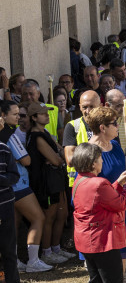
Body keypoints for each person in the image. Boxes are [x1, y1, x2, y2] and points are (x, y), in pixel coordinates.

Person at [71, 143, 126, 283]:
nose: (102, 161)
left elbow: (100, 199)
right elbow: (121, 204)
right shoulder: (99, 183)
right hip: (103, 241)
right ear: (93, 163)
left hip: (87, 241)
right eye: (100, 158)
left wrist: (118, 184)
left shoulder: (79, 180)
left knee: (96, 279)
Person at [86, 107, 126, 279]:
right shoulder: (89, 151)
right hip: (104, 215)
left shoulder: (115, 145)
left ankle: (123, 276)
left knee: (123, 253)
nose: (118, 127)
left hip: (122, 206)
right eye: (114, 124)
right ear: (102, 128)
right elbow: (90, 187)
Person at [0, 101, 52, 273]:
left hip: (7, 189)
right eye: (15, 114)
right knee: (38, 218)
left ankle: (14, 262)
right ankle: (33, 261)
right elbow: (26, 160)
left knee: (12, 225)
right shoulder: (9, 135)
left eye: (19, 114)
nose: (19, 118)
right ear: (3, 115)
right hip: (19, 185)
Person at [24, 101, 76, 264]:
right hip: (46, 182)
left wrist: (59, 156)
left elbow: (60, 150)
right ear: (33, 117)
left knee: (62, 213)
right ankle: (46, 251)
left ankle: (56, 247)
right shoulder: (36, 136)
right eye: (42, 113)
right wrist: (59, 157)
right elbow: (56, 159)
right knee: (50, 216)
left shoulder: (45, 132)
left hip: (56, 178)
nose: (47, 115)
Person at [0, 134, 20, 282]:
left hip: (4, 208)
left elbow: (14, 175)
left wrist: (2, 179)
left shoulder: (4, 149)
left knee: (9, 251)